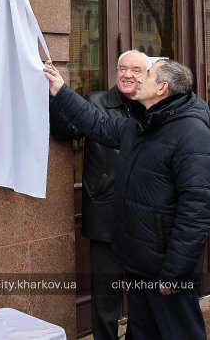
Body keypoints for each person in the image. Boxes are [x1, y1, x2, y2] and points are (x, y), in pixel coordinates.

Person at [45, 59, 210, 339]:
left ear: (162, 88)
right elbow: (98, 125)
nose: (138, 79)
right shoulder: (142, 124)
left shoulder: (192, 135)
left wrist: (175, 271)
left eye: (146, 74)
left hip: (166, 268)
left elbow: (197, 211)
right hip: (139, 262)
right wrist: (61, 90)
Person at [49, 50, 149, 340]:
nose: (128, 74)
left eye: (136, 70)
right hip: (105, 216)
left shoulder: (153, 108)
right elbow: (62, 132)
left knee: (142, 299)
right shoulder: (96, 103)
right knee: (105, 298)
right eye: (123, 68)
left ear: (148, 76)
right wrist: (57, 97)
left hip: (144, 220)